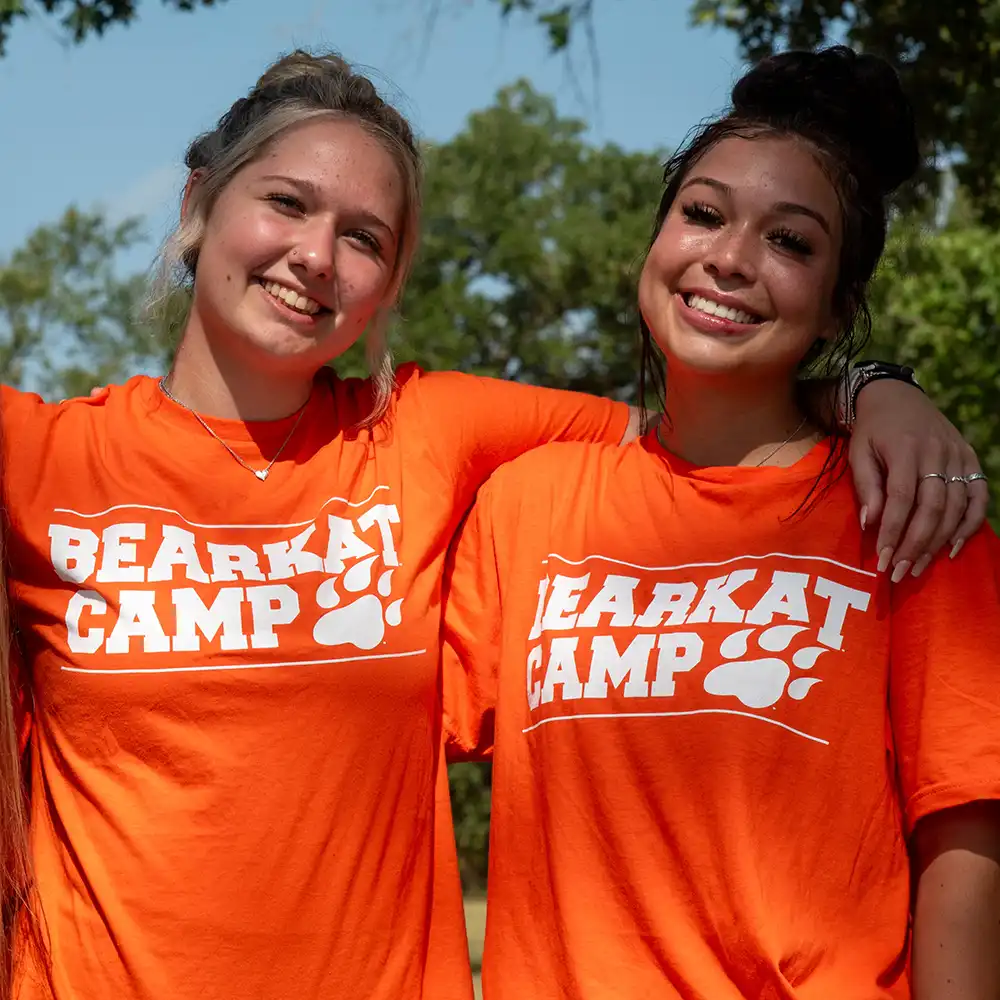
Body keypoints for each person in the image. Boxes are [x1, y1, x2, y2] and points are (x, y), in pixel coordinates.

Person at [0, 48, 988, 1000]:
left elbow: (700, 418)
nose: (315, 255)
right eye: (287, 203)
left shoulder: (427, 431)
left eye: (365, 236)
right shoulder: (37, 456)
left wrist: (871, 389)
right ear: (199, 203)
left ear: (390, 280)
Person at [443, 46, 1000, 1000]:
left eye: (791, 242)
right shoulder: (526, 505)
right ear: (654, 243)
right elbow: (351, 727)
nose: (731, 259)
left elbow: (965, 838)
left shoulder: (911, 507)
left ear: (839, 308)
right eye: (702, 214)